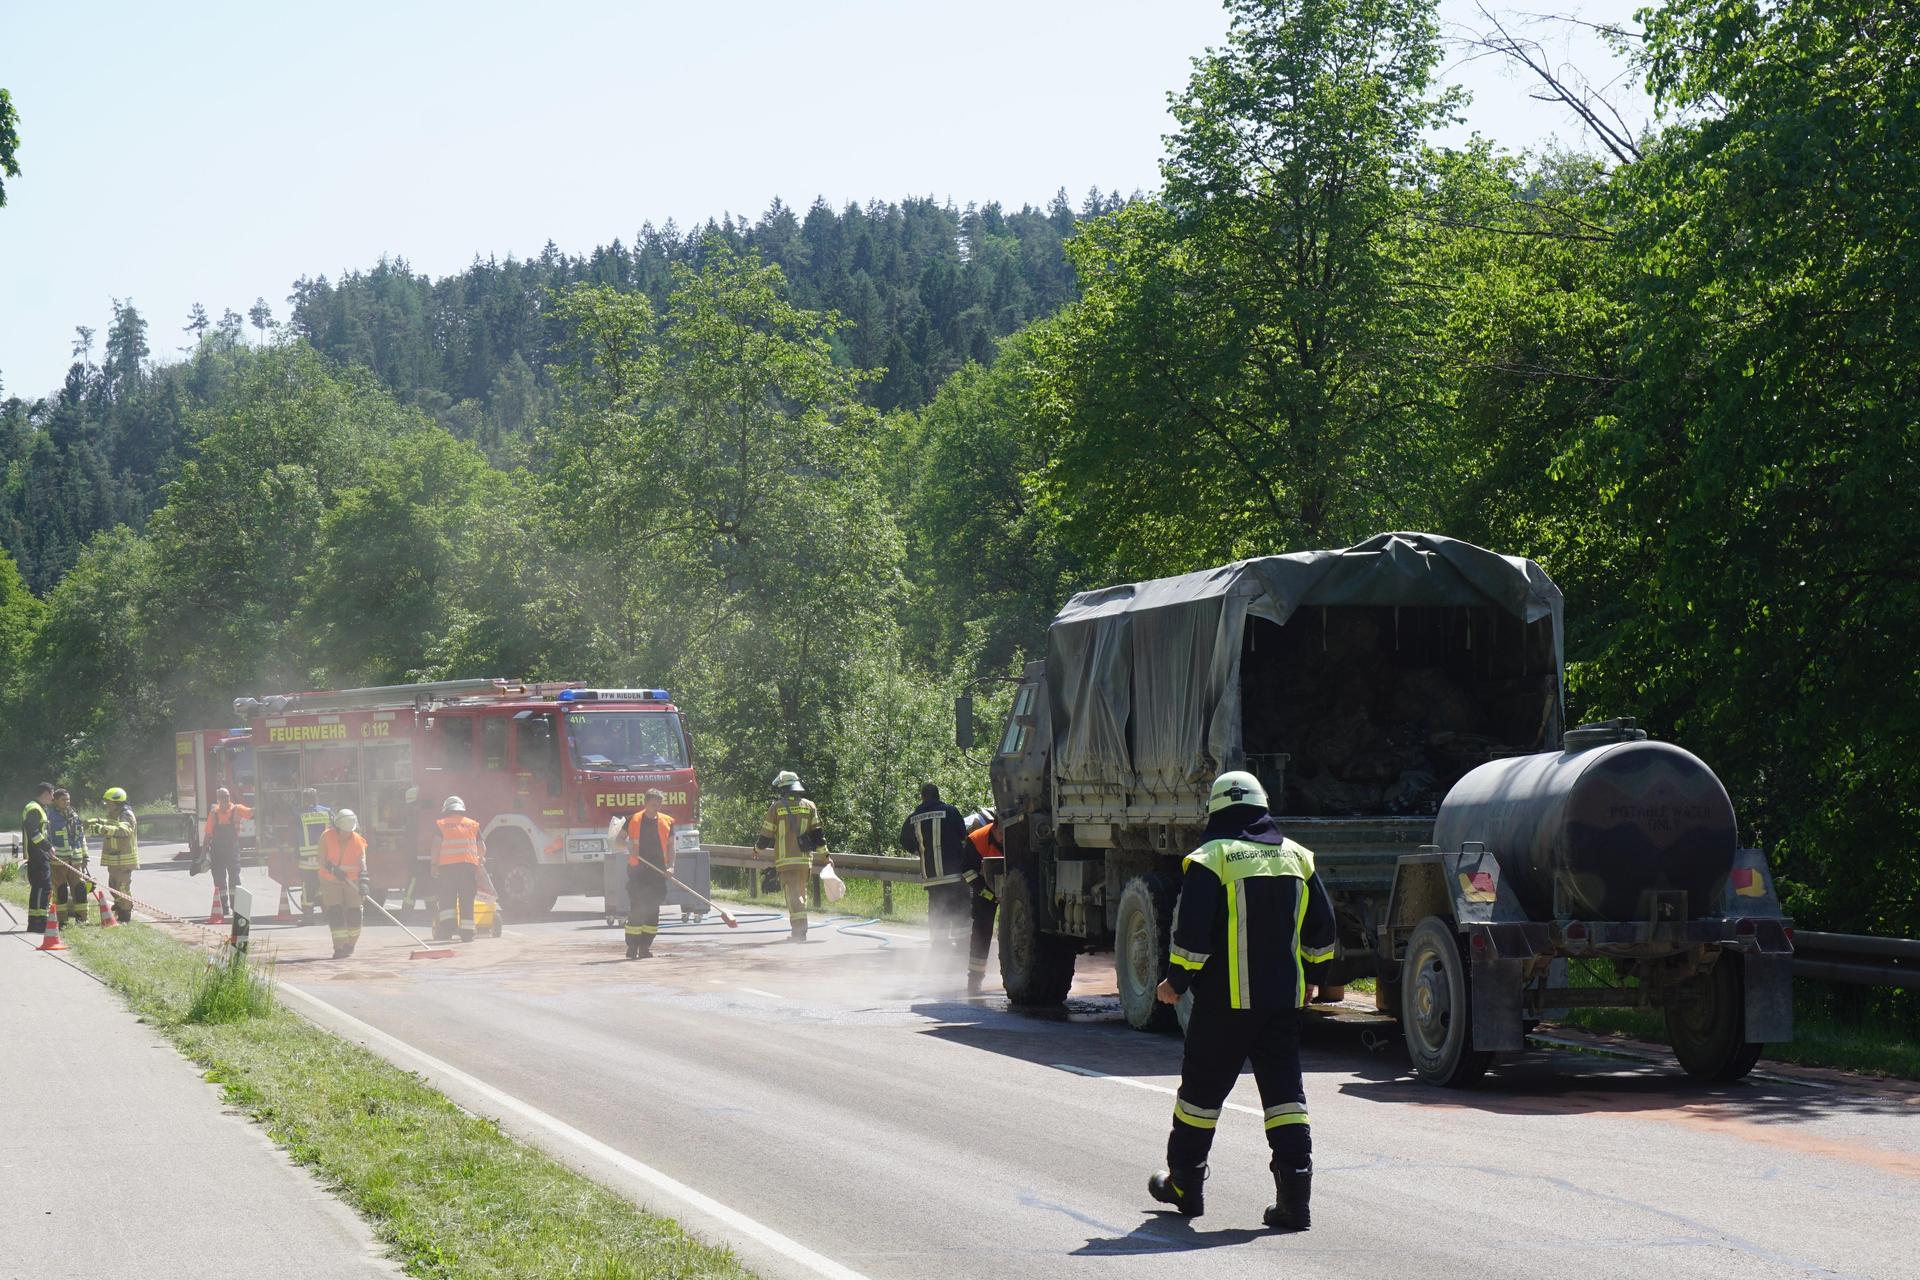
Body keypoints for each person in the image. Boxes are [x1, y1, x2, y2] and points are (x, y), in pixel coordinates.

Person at [1147, 770, 1337, 1232]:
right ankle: (1295, 1202)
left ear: (1216, 812)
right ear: (1262, 806)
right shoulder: (1298, 857)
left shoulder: (1211, 858)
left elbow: (1191, 934)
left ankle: (1185, 1185)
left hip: (1224, 1004)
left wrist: (1176, 981)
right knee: (1285, 1098)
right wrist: (1314, 974)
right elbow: (1324, 930)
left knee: (1199, 1096)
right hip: (1282, 1004)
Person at [899, 784, 984, 984]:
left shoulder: (913, 817)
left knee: (937, 913)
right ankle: (963, 950)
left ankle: (940, 951)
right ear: (938, 796)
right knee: (961, 912)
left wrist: (921, 850)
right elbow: (963, 836)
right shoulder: (950, 811)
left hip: (932, 877)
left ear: (922, 797)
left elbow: (904, 840)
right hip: (954, 874)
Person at [755, 771, 826, 942]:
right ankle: (800, 930)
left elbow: (766, 835)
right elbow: (818, 835)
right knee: (801, 895)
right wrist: (825, 855)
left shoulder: (776, 807)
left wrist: (757, 849)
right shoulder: (809, 806)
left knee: (792, 897)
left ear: (784, 789)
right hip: (804, 862)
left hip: (786, 862)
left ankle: (799, 933)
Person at [618, 789, 675, 960]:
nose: (655, 808)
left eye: (658, 805)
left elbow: (671, 847)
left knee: (652, 910)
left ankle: (645, 947)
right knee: (637, 908)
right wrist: (626, 847)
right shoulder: (632, 820)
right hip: (637, 871)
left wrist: (671, 867)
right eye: (652, 805)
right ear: (645, 803)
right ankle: (632, 946)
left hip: (658, 872)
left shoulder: (668, 822)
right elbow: (618, 840)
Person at [316, 808, 368, 959]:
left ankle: (350, 944)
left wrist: (364, 879)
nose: (346, 834)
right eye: (343, 831)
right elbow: (320, 858)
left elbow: (362, 860)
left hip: (351, 880)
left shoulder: (357, 839)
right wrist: (332, 868)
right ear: (337, 827)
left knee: (355, 913)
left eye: (349, 831)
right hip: (330, 879)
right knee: (335, 912)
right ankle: (338, 948)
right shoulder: (326, 836)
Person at [431, 796, 482, 943]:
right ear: (461, 809)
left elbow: (436, 845)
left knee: (447, 900)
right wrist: (480, 859)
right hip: (468, 868)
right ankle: (467, 934)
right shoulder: (472, 825)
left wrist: (434, 865)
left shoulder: (442, 824)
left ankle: (447, 932)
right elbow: (482, 848)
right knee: (467, 900)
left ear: (447, 810)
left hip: (447, 869)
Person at [961, 809, 1002, 994]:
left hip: (1014, 887)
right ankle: (975, 980)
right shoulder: (976, 840)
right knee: (982, 931)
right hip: (985, 888)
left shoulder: (1017, 838)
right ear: (994, 827)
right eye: (1001, 834)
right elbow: (968, 871)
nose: (1003, 839)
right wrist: (986, 893)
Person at [201, 787, 252, 922]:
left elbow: (251, 813)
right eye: (222, 797)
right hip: (217, 850)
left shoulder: (237, 809)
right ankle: (223, 907)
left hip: (232, 849)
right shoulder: (214, 813)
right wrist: (203, 852)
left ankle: (237, 906)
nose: (225, 799)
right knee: (219, 879)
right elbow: (208, 834)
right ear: (218, 799)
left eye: (227, 796)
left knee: (234, 877)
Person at [94, 786, 139, 925]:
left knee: (122, 888)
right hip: (115, 860)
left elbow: (124, 830)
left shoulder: (126, 814)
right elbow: (112, 823)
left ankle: (125, 916)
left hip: (124, 860)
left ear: (117, 802)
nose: (107, 804)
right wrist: (98, 821)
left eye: (109, 802)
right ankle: (119, 911)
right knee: (114, 886)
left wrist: (103, 829)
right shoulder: (115, 814)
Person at [47, 787, 91, 926]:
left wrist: (85, 856)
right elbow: (45, 837)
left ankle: (82, 919)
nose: (67, 802)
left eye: (68, 799)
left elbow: (81, 837)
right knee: (60, 892)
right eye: (63, 799)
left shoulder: (74, 815)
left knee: (80, 890)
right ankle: (62, 921)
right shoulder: (49, 816)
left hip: (76, 861)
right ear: (55, 801)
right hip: (58, 861)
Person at [21, 782, 55, 935]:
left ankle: (35, 922)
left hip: (39, 854)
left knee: (38, 888)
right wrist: (48, 847)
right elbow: (34, 832)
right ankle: (40, 922)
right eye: (52, 794)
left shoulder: (38, 808)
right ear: (46, 793)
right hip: (38, 855)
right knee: (43, 887)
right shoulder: (34, 809)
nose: (53, 798)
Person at [297, 788, 332, 922]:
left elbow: (293, 833)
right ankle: (328, 914)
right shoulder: (326, 811)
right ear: (316, 798)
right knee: (325, 886)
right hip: (326, 857)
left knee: (308, 887)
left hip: (307, 859)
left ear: (304, 799)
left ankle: (308, 916)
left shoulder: (299, 813)